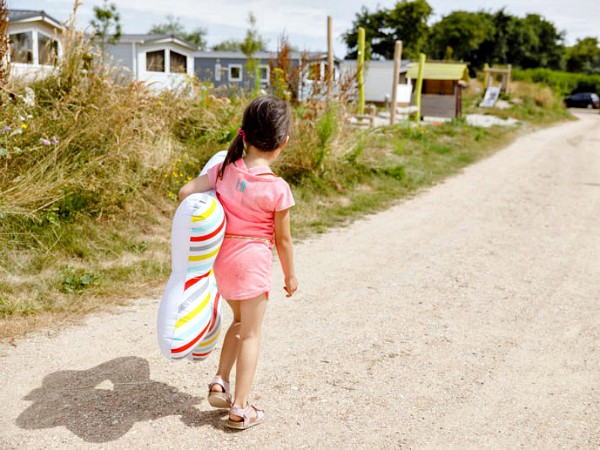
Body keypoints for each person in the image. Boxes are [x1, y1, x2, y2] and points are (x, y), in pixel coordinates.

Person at [178, 95, 298, 430]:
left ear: (243, 134)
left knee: (239, 322)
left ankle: (220, 382)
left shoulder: (223, 171)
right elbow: (284, 241)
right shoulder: (277, 188)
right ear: (282, 143)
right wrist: (290, 275)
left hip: (223, 263)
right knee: (252, 334)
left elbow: (185, 192)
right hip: (253, 264)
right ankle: (241, 408)